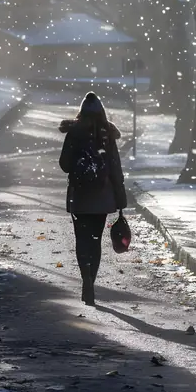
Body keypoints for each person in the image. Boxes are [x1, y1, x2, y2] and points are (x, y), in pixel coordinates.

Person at [59, 91, 127, 306]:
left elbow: (64, 165)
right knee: (95, 241)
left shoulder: (74, 132)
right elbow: (115, 167)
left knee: (82, 239)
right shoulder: (106, 134)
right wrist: (120, 197)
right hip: (102, 196)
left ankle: (85, 278)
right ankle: (92, 281)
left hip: (80, 196)